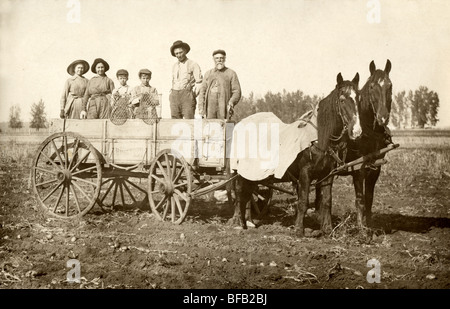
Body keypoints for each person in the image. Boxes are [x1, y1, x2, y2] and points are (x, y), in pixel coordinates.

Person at [198, 49, 241, 120]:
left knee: (227, 127)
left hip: (224, 106)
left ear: (225, 59)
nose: (219, 60)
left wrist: (231, 102)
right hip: (210, 107)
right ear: (213, 59)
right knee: (210, 127)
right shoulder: (208, 74)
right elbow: (202, 92)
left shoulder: (231, 73)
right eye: (217, 58)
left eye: (221, 58)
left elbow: (237, 91)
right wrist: (201, 108)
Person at [169, 40, 202, 119]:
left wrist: (192, 95)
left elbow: (199, 82)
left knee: (189, 120)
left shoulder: (193, 64)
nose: (179, 55)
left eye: (180, 52)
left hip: (187, 96)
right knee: (174, 120)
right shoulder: (174, 66)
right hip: (174, 96)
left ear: (185, 51)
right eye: (176, 53)